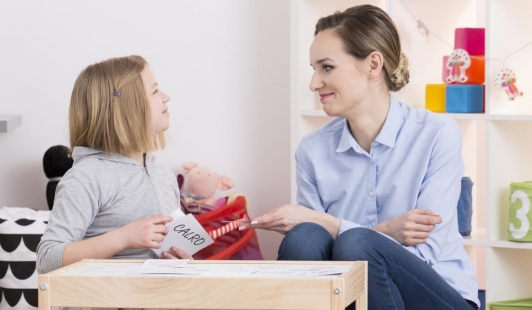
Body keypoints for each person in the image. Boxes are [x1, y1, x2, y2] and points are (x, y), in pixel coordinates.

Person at [244, 5, 479, 310]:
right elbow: (320, 254)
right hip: (358, 299)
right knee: (305, 237)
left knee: (355, 244)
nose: (314, 83)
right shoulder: (312, 151)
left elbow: (427, 251)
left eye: (326, 67)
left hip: (437, 295)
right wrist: (382, 231)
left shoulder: (437, 134)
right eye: (313, 69)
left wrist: (352, 234)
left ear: (372, 65)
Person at [37, 55, 189, 278]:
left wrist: (182, 261)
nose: (166, 97)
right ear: (127, 108)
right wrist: (123, 238)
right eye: (155, 91)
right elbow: (47, 259)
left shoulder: (163, 175)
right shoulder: (87, 177)